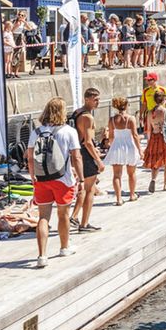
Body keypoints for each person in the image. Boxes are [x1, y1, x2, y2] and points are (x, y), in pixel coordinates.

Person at [26, 97, 84, 269]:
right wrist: (81, 178)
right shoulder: (68, 131)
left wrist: (32, 176)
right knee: (63, 214)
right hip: (63, 179)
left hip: (41, 179)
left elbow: (30, 157)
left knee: (43, 217)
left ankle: (42, 255)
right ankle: (64, 247)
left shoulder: (36, 132)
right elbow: (76, 157)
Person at [69, 88, 104, 234]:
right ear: (87, 99)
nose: (98, 102)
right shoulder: (88, 117)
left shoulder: (77, 112)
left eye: (98, 99)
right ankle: (84, 223)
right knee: (90, 190)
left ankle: (75, 216)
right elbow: (88, 142)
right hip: (86, 154)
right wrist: (98, 160)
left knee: (82, 187)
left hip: (76, 151)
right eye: (95, 99)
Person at [103, 95, 144, 204]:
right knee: (131, 173)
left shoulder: (112, 120)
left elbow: (110, 136)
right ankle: (132, 195)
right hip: (129, 146)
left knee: (116, 175)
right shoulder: (131, 118)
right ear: (126, 105)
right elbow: (135, 135)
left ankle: (118, 199)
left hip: (117, 146)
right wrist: (140, 150)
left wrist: (112, 146)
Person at [144, 90, 166, 193]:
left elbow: (149, 129)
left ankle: (153, 179)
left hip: (154, 137)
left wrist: (149, 142)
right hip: (165, 137)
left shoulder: (150, 112)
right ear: (163, 100)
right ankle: (165, 185)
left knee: (155, 161)